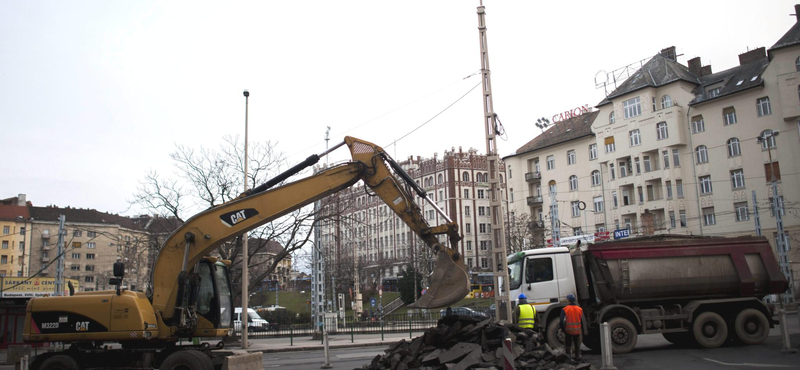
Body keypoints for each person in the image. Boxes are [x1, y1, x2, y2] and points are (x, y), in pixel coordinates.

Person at [560, 293, 585, 361]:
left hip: (568, 330)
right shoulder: (579, 309)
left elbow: (561, 321)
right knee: (577, 344)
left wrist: (563, 329)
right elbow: (580, 320)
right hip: (577, 330)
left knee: (568, 344)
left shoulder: (565, 309)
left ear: (568, 300)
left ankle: (568, 358)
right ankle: (577, 356)